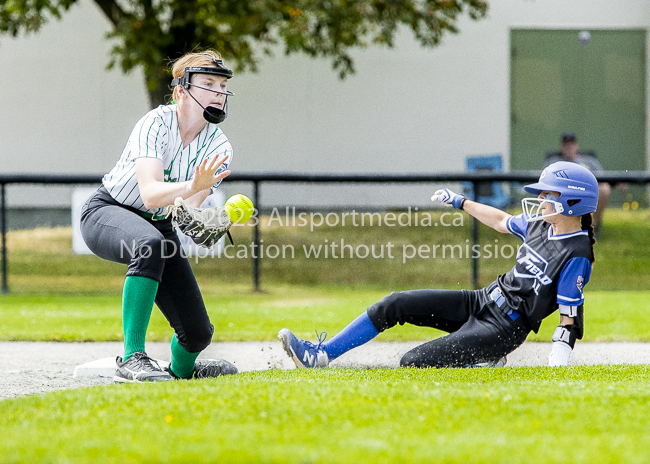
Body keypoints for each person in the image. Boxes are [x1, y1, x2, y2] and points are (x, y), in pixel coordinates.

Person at [278, 161, 599, 369]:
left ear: (573, 201)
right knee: (394, 303)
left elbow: (569, 321)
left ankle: (486, 356)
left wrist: (557, 370)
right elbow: (501, 220)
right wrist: (460, 201)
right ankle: (320, 356)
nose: (541, 200)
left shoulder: (577, 253)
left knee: (413, 362)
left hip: (504, 327)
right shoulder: (541, 225)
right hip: (483, 299)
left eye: (548, 194)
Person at [80, 50, 239, 382]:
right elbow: (151, 193)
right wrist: (193, 184)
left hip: (158, 224)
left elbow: (185, 210)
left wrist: (201, 220)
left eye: (222, 85)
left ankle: (183, 371)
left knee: (198, 333)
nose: (219, 92)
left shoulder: (220, 146)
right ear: (181, 90)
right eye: (208, 83)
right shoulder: (155, 122)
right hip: (107, 211)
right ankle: (132, 357)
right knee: (149, 243)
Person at [545, 131, 610, 233]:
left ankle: (594, 225)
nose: (569, 147)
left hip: (586, 192)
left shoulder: (589, 161)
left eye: (571, 144)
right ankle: (555, 226)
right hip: (563, 193)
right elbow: (544, 179)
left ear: (576, 145)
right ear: (561, 147)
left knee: (604, 188)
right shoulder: (554, 161)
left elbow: (604, 177)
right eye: (566, 144)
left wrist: (619, 181)